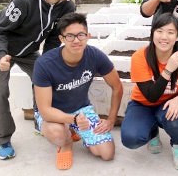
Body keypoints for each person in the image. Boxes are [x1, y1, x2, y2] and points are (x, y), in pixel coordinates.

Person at [0, 0, 79, 160]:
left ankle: (41, 120)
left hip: (27, 48)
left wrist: (49, 63)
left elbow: (52, 39)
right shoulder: (24, 0)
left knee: (48, 80)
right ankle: (2, 139)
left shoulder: (67, 6)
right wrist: (1, 56)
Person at [33, 13, 123, 170]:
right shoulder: (45, 64)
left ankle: (75, 130)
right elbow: (45, 110)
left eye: (81, 35)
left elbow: (117, 86)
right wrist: (73, 119)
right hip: (53, 113)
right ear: (61, 39)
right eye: (70, 36)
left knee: (107, 153)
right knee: (58, 133)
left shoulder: (95, 56)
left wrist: (111, 119)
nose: (76, 40)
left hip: (81, 110)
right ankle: (66, 144)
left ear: (88, 36)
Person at [121, 13, 178, 170]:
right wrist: (168, 70)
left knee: (175, 121)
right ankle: (152, 132)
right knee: (131, 139)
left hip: (169, 104)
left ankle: (177, 145)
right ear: (152, 34)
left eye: (170, 32)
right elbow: (151, 96)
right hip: (143, 103)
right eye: (159, 31)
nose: (164, 37)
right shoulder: (140, 57)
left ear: (177, 37)